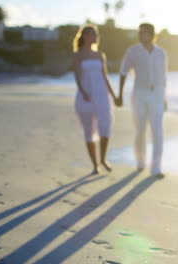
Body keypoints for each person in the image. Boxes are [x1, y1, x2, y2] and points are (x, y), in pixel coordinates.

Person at [116, 23, 167, 176]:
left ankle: (156, 167)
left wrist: (164, 97)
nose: (140, 35)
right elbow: (123, 72)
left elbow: (163, 76)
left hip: (157, 94)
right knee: (140, 130)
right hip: (139, 94)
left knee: (158, 131)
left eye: (143, 32)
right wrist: (119, 94)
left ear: (151, 34)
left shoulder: (161, 53)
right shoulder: (132, 52)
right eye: (139, 32)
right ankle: (140, 161)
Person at [72, 25, 117, 174]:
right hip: (85, 96)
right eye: (92, 34)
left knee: (105, 127)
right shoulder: (77, 55)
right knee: (88, 130)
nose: (95, 36)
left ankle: (103, 159)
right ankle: (95, 165)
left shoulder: (100, 54)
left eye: (96, 34)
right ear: (84, 36)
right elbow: (77, 76)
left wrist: (114, 95)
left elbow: (105, 76)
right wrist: (83, 92)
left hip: (102, 95)